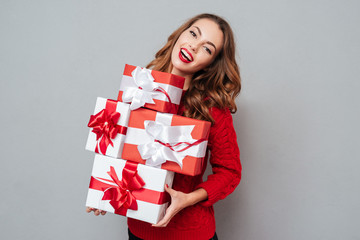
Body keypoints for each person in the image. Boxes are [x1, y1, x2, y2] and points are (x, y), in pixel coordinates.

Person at [87, 13, 242, 240]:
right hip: (140, 229)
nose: (194, 46)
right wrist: (108, 190)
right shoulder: (139, 89)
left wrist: (188, 198)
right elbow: (120, 151)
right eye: (193, 34)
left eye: (207, 49)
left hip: (191, 233)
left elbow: (230, 171)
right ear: (180, 34)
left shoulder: (213, 108)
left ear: (211, 63)